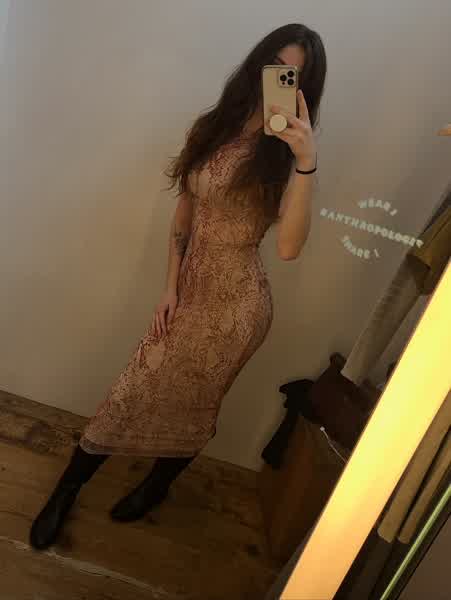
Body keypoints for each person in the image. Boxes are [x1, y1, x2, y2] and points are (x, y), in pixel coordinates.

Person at [30, 22, 327, 550]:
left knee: (197, 405)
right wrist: (169, 288)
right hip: (188, 292)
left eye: (293, 75)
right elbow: (184, 214)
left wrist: (307, 163)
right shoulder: (214, 125)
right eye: (275, 65)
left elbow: (288, 248)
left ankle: (157, 485)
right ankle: (66, 491)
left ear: (304, 88)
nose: (278, 79)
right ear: (258, 63)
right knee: (131, 392)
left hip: (237, 309)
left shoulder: (284, 156)